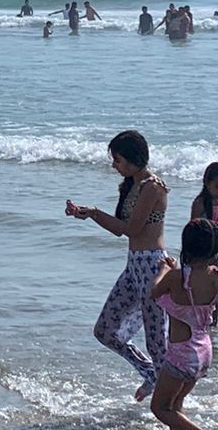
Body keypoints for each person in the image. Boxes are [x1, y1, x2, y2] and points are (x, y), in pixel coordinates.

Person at [66, 130, 169, 400]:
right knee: (105, 331)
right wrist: (88, 214)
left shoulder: (152, 187)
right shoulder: (131, 184)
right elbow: (118, 228)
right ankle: (151, 374)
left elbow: (131, 229)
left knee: (157, 341)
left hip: (152, 267)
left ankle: (169, 400)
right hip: (133, 266)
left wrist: (95, 214)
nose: (115, 165)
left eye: (118, 160)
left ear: (135, 158)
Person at [148, 219, 218, 430]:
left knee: (159, 408)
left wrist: (164, 268)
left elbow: (155, 291)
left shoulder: (176, 277)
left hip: (182, 353)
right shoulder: (216, 276)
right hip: (203, 350)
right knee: (176, 405)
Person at [189, 163, 218, 324]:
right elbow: (192, 229)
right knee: (199, 287)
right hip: (201, 253)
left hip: (216, 252)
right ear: (207, 183)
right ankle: (197, 318)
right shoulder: (199, 203)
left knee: (216, 287)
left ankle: (213, 321)